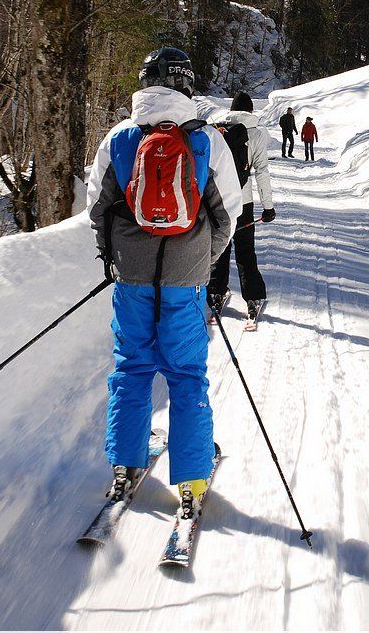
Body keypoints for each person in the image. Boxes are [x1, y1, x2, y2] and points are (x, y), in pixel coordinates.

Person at [87, 47, 242, 513]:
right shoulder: (207, 141)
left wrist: (112, 258)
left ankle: (124, 465)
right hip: (185, 280)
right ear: (185, 83)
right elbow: (227, 214)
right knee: (187, 373)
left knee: (132, 368)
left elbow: (98, 208)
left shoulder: (119, 138)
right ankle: (192, 480)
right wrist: (202, 263)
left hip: (131, 278)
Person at [209, 92, 275, 322]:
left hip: (218, 202)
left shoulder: (217, 131)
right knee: (245, 249)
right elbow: (262, 171)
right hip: (243, 202)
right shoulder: (256, 134)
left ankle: (216, 291)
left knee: (221, 247)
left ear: (231, 110)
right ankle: (253, 296)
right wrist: (268, 207)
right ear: (251, 111)